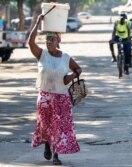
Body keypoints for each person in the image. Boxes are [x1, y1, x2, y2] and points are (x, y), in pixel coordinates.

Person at [28, 14, 81, 165]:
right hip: (44, 97)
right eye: (47, 39)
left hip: (61, 98)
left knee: (58, 127)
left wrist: (70, 77)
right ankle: (47, 145)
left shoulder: (65, 57)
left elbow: (78, 69)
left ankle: (56, 156)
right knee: (45, 126)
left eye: (52, 39)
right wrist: (38, 22)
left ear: (58, 41)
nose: (48, 41)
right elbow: (30, 42)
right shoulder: (41, 55)